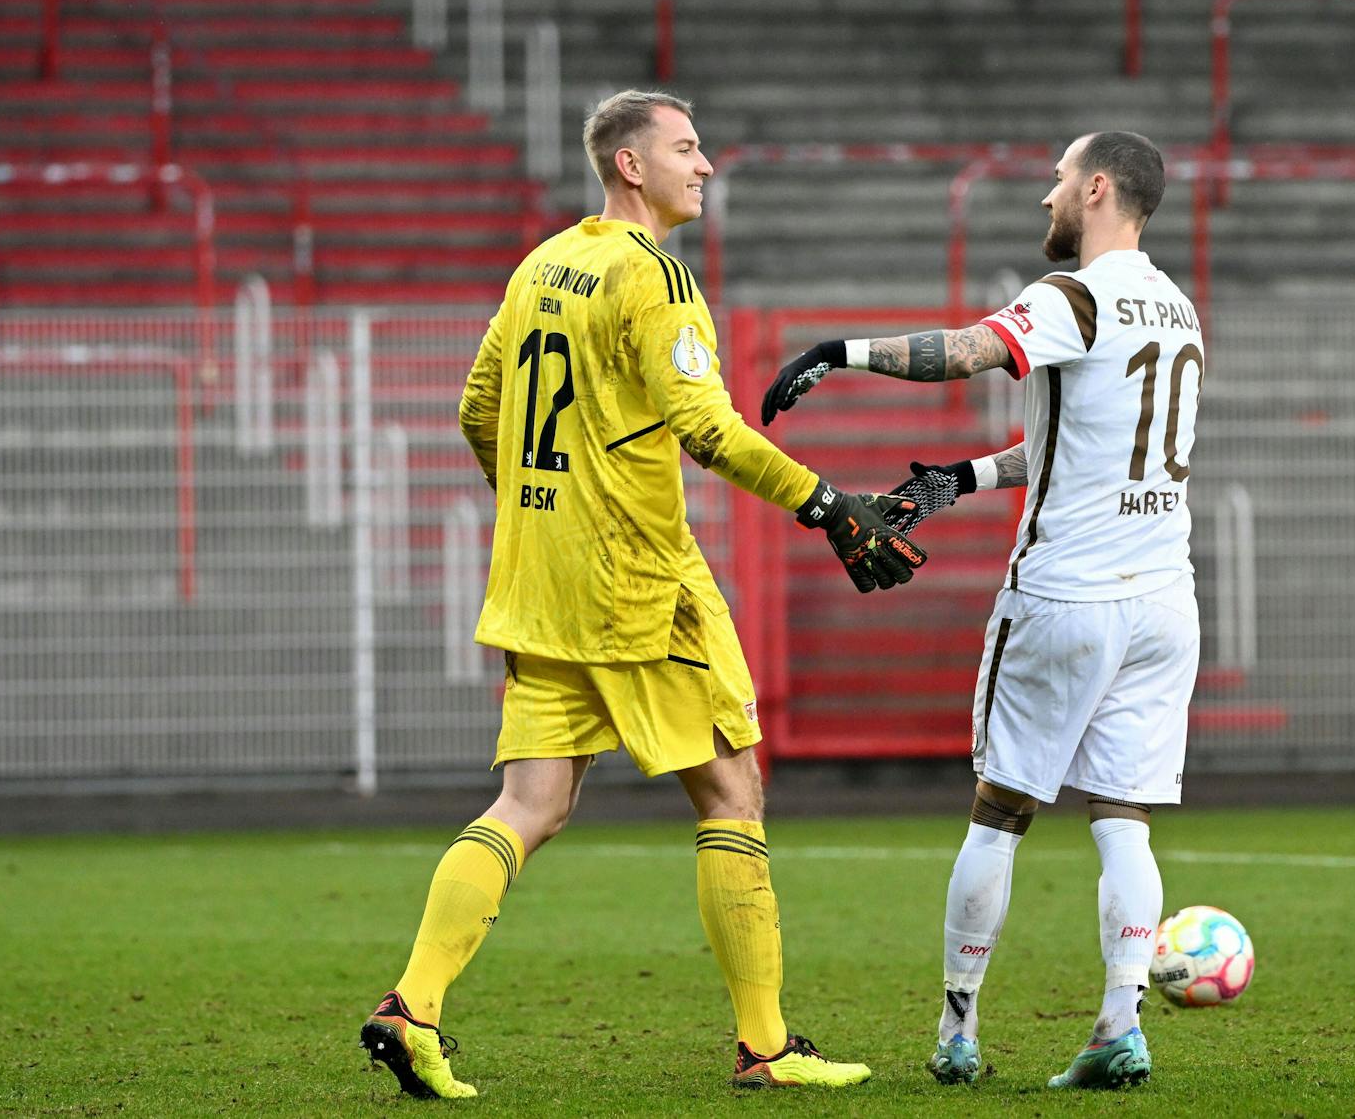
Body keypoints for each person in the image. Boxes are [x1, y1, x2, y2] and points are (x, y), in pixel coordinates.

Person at [360, 90, 926, 1099]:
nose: (704, 164)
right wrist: (826, 501)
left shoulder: (541, 262)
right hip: (637, 579)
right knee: (731, 788)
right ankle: (764, 1042)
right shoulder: (652, 275)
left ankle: (412, 1004)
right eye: (685, 147)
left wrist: (545, 508)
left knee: (528, 800)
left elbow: (476, 405)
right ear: (630, 165)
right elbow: (705, 427)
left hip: (538, 577)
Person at [761, 130, 1201, 1091]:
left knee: (999, 813)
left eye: (1055, 180)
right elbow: (1072, 448)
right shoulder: (1176, 307)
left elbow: (965, 352)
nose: (1044, 196)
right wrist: (960, 476)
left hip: (1066, 597)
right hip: (1164, 601)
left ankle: (957, 1028)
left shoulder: (1072, 295)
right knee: (1123, 819)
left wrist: (842, 350)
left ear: (1095, 189)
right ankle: (1120, 1027)